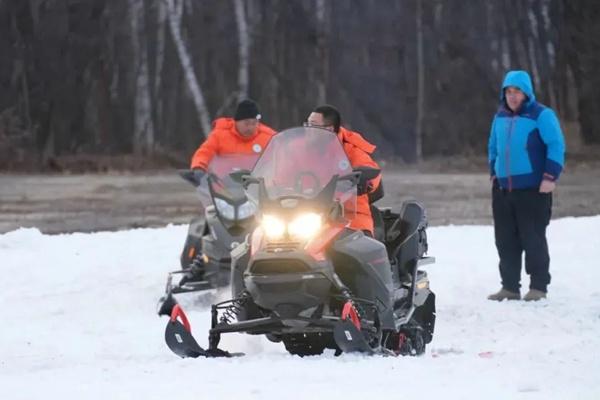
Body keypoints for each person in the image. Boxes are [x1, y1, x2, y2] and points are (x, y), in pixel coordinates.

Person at [487, 70, 565, 302]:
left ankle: (538, 286)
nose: (512, 96)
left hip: (533, 190)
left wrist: (550, 177)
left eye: (517, 91)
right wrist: (493, 172)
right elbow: (493, 146)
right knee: (505, 240)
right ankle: (510, 287)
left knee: (533, 238)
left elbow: (556, 145)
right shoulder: (499, 117)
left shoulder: (542, 115)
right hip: (503, 190)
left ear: (526, 93)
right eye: (508, 92)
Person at [304, 105, 382, 235]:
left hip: (348, 212)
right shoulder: (299, 149)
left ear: (328, 129)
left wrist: (365, 183)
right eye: (307, 124)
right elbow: (282, 174)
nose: (307, 130)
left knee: (357, 244)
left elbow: (371, 170)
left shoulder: (350, 150)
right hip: (306, 211)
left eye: (313, 125)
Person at [189, 99, 276, 182]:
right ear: (236, 121)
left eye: (254, 123)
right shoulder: (220, 135)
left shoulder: (269, 137)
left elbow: (282, 153)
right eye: (246, 123)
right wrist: (198, 168)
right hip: (223, 190)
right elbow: (205, 152)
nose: (250, 127)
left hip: (258, 189)